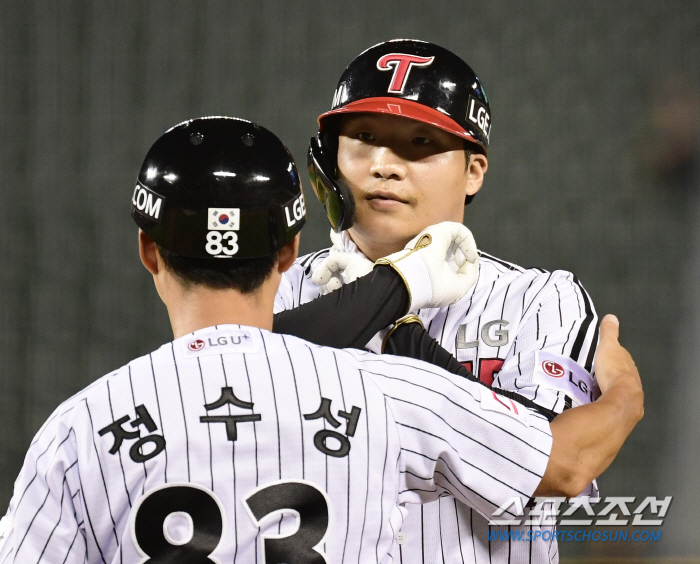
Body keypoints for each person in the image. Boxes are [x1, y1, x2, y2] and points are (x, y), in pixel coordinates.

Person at [0, 117, 643, 564]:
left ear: (147, 250)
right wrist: (622, 391)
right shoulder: (386, 392)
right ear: (289, 250)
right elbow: (566, 463)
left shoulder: (80, 428)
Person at [275, 39, 603, 563]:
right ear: (328, 160)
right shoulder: (279, 287)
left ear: (474, 171)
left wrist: (398, 324)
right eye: (362, 138)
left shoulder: (538, 300)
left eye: (420, 143)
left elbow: (552, 471)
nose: (384, 165)